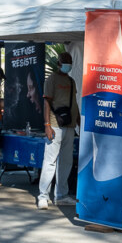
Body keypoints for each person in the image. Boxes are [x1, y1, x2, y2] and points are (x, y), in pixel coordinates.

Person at [37, 52, 79, 209]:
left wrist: (78, 121)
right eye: (65, 61)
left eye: (70, 61)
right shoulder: (52, 79)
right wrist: (47, 125)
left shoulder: (71, 81)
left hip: (69, 126)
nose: (68, 63)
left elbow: (74, 103)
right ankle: (43, 195)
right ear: (59, 62)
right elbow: (46, 101)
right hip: (54, 125)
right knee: (50, 161)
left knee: (66, 162)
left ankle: (61, 195)